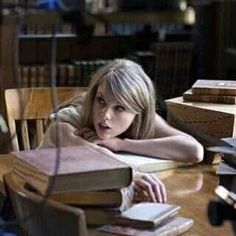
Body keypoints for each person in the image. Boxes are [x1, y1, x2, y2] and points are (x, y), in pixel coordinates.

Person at [39, 59, 204, 207]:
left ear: (137, 112)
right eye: (101, 101)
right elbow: (93, 154)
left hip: (98, 204)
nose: (105, 115)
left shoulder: (140, 119)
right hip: (50, 208)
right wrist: (132, 174)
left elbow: (194, 151)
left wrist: (121, 143)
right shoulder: (68, 120)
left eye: (119, 108)